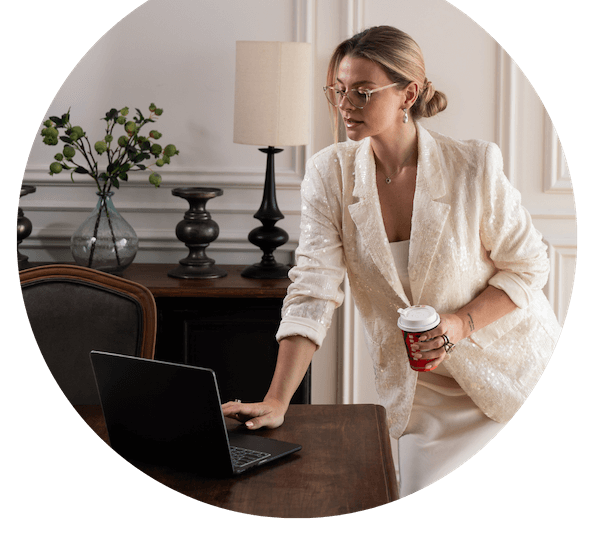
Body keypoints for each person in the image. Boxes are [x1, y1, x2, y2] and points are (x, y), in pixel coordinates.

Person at [222, 25, 561, 497]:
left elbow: (528, 267)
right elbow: (313, 289)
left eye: (362, 92)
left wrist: (458, 324)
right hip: (422, 394)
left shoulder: (473, 165)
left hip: (512, 375)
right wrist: (277, 400)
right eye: (339, 90)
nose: (345, 104)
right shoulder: (329, 173)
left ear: (409, 93)